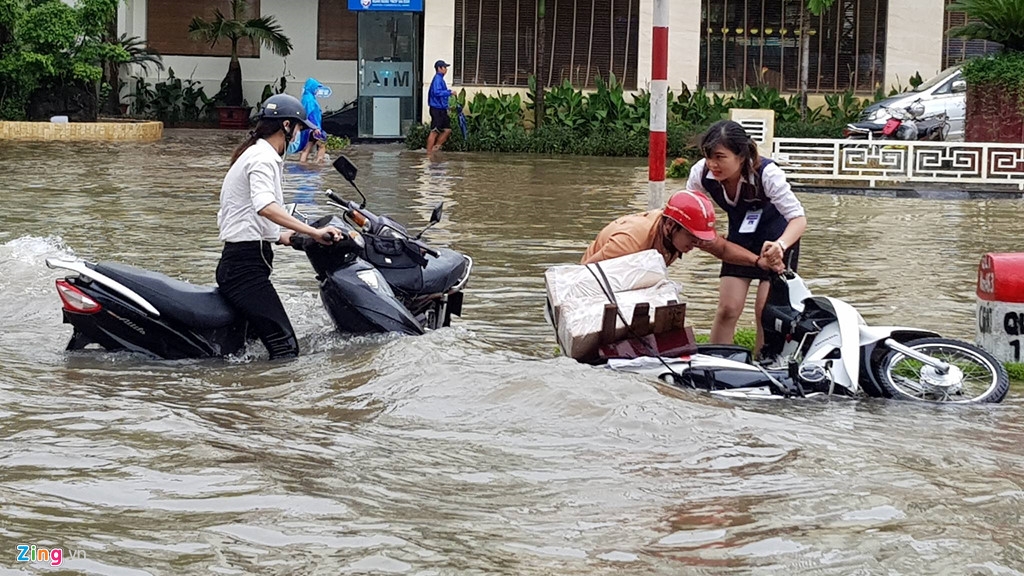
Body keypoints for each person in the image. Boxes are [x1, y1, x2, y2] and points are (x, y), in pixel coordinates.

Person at [216, 93, 343, 360]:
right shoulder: (262, 158)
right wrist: (313, 231)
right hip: (244, 270)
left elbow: (257, 223)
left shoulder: (256, 153)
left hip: (243, 262)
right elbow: (266, 207)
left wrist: (298, 239)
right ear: (286, 126)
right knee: (285, 347)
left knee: (250, 347)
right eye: (298, 129)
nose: (299, 136)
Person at [686, 119, 807, 352]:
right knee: (728, 308)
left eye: (720, 157)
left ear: (741, 156)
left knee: (765, 310)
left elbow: (798, 219)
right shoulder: (700, 173)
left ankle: (766, 364)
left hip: (778, 239)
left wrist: (780, 245)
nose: (712, 164)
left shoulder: (768, 173)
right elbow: (691, 209)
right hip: (740, 236)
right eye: (708, 156)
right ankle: (718, 363)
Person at [582, 189, 783, 273]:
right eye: (692, 238)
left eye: (699, 239)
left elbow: (721, 249)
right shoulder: (631, 240)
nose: (696, 245)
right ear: (670, 226)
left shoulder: (685, 232)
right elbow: (583, 274)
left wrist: (758, 262)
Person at [297, 78, 329, 164]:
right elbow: (311, 115)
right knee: (322, 145)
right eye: (316, 88)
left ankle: (302, 164)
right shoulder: (310, 100)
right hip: (313, 127)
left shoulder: (305, 97)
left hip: (308, 128)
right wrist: (315, 128)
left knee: (306, 148)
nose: (317, 90)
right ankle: (318, 164)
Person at [426, 60, 453, 153]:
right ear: (439, 68)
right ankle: (429, 153)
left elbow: (441, 97)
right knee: (434, 131)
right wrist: (449, 92)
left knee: (447, 130)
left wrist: (447, 106)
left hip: (442, 109)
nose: (446, 70)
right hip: (436, 109)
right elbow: (437, 92)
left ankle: (435, 148)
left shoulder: (441, 79)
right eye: (445, 67)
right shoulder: (437, 79)